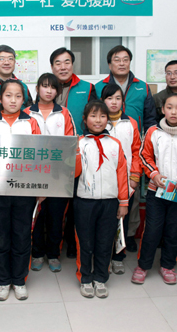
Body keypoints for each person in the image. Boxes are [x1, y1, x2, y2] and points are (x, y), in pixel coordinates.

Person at [0, 79, 42, 301]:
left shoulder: (31, 123)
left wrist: (42, 187)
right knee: (0, 236)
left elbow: (42, 156)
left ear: (24, 99)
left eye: (18, 96)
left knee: (22, 235)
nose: (13, 100)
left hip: (24, 189)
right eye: (8, 96)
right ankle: (3, 280)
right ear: (0, 99)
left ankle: (19, 280)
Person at [132, 93, 177, 285]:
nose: (173, 112)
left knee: (174, 230)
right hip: (157, 191)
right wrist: (153, 174)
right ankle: (143, 265)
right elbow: (145, 156)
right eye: (169, 107)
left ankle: (168, 265)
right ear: (163, 110)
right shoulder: (154, 132)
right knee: (152, 230)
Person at [95, 45, 155, 253]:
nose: (121, 63)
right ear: (109, 64)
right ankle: (106, 240)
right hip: (104, 159)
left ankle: (127, 236)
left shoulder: (142, 87)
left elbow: (149, 117)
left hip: (132, 149)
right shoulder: (99, 86)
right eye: (116, 59)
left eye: (125, 59)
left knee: (131, 198)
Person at [74, 100, 129, 298]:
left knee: (105, 242)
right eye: (93, 116)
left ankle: (100, 277)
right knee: (85, 242)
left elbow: (122, 174)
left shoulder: (115, 144)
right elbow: (73, 173)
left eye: (103, 116)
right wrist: (75, 155)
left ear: (108, 119)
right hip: (85, 201)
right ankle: (85, 277)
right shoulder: (78, 143)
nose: (98, 120)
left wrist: (123, 201)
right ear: (85, 119)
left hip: (110, 202)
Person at [49, 47, 97, 259]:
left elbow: (95, 118)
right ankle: (52, 246)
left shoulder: (87, 88)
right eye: (58, 63)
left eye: (66, 62)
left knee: (77, 200)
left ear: (73, 64)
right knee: (54, 204)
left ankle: (72, 242)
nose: (63, 67)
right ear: (52, 67)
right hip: (51, 158)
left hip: (79, 154)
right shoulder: (46, 87)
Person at [26, 73, 76, 273]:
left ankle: (54, 254)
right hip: (33, 174)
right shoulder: (26, 113)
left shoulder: (64, 113)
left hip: (57, 175)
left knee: (56, 217)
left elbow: (71, 143)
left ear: (58, 91)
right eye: (44, 86)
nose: (49, 90)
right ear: (37, 88)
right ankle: (37, 253)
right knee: (37, 217)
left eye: (53, 87)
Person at [100, 84, 142, 274]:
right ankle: (104, 256)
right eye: (109, 98)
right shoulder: (99, 122)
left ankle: (119, 256)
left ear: (123, 101)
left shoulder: (131, 122)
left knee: (122, 219)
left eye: (118, 98)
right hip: (104, 180)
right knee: (105, 220)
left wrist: (134, 177)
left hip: (126, 181)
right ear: (103, 101)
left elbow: (136, 151)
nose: (114, 102)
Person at [0, 44, 33, 109]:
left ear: (14, 62)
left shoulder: (23, 87)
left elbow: (30, 112)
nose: (6, 62)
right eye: (1, 59)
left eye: (10, 59)